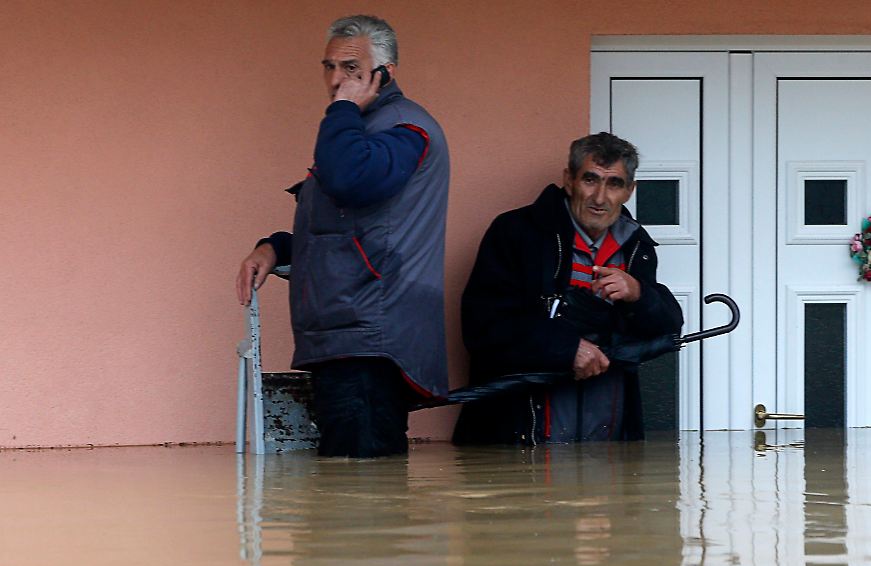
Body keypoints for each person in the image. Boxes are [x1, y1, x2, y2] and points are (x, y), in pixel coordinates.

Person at [235, 15, 449, 458]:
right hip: (349, 334)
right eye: (329, 67)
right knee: (345, 502)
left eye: (351, 69)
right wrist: (275, 247)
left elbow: (349, 180)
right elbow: (345, 229)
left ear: (384, 73)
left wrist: (343, 110)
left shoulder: (405, 128)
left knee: (361, 502)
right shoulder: (357, 132)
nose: (336, 80)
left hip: (371, 339)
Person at [453, 133, 682, 445]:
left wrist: (639, 294)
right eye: (590, 179)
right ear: (569, 180)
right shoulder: (515, 232)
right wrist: (565, 349)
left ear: (630, 191)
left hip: (609, 440)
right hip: (520, 435)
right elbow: (482, 328)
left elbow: (665, 328)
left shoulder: (636, 246)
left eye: (614, 183)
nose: (599, 197)